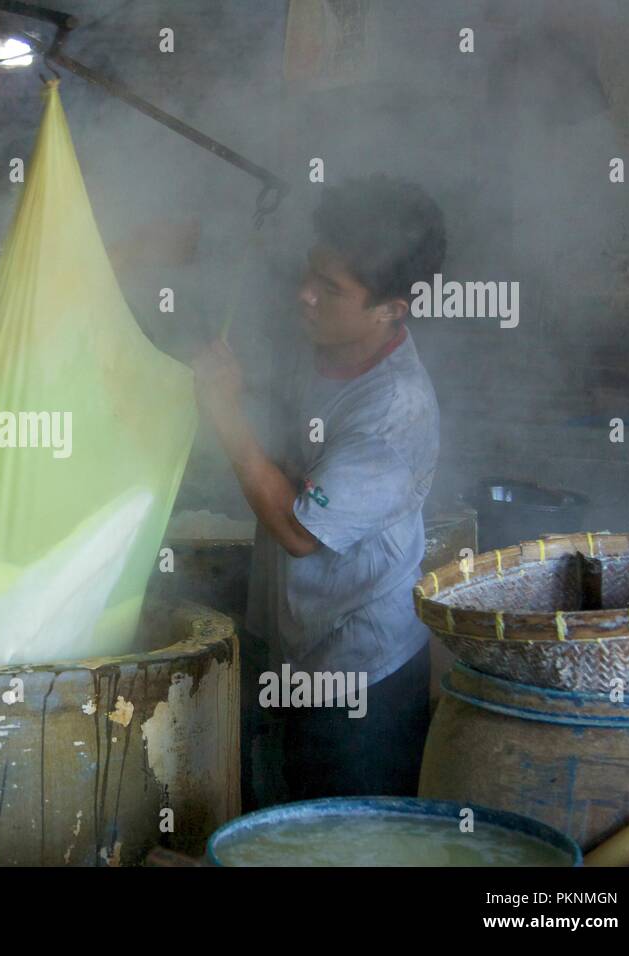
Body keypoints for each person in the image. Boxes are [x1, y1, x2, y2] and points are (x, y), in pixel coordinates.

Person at [192, 174, 446, 801]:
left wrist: (223, 414)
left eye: (330, 289)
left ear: (391, 309)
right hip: (297, 641)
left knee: (344, 834)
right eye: (310, 273)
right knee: (282, 821)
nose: (304, 295)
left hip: (361, 675)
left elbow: (300, 530)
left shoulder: (394, 413)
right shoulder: (327, 343)